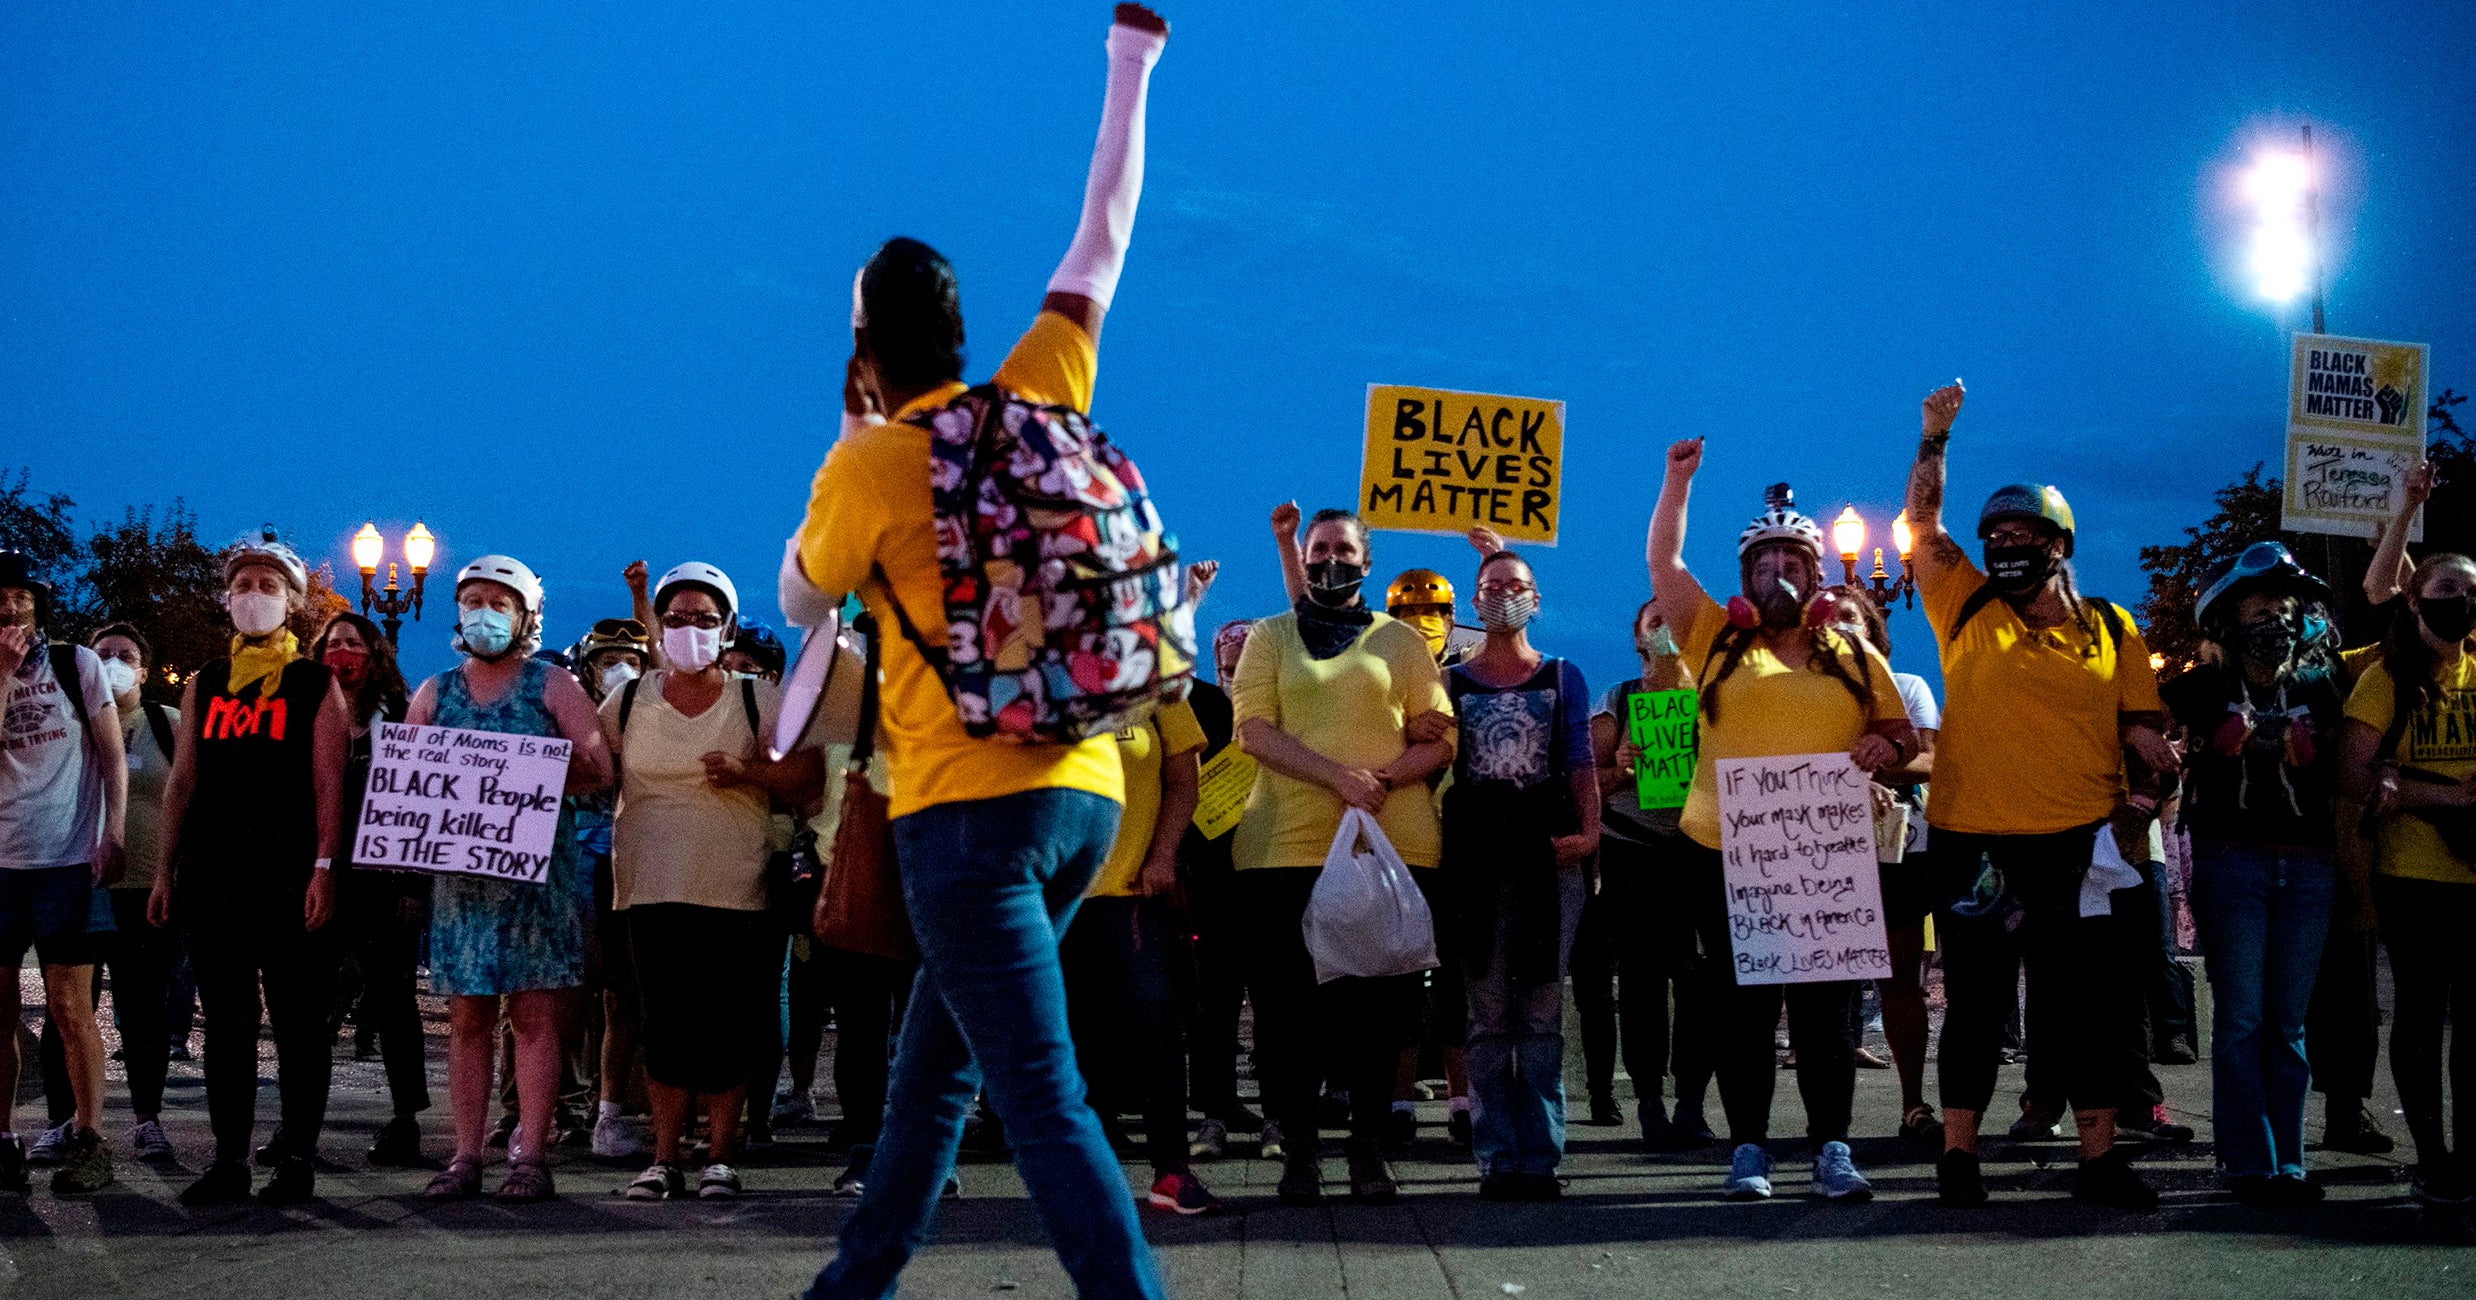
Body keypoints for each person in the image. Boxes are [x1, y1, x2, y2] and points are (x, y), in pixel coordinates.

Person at [782, 7, 1174, 1293]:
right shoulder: (1045, 383)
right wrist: (1130, 65)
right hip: (1088, 792)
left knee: (1044, 1100)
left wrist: (844, 434)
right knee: (934, 1079)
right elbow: (1102, 232)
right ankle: (852, 1284)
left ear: (866, 351)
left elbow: (798, 595)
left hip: (965, 815)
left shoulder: (880, 460)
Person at [1902, 381, 2176, 1209]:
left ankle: (2097, 1158)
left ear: (2060, 545)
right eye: (1998, 536)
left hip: (2075, 847)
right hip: (1973, 841)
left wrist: (2139, 807)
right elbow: (1922, 525)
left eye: (2024, 535)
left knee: (2081, 1009)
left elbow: (2150, 740)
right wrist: (1934, 439)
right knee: (1977, 1006)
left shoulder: (2112, 628)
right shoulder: (1962, 603)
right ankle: (1958, 1156)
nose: (2007, 546)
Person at [1646, 448, 1913, 1203]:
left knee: (1828, 1011)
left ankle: (1832, 1147)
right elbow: (1663, 560)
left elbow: (1904, 738)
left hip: (1823, 859)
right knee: (1742, 1008)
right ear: (1744, 578)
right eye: (1763, 565)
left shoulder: (1854, 654)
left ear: (1817, 573)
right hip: (1726, 857)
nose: (1777, 578)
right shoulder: (1715, 642)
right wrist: (1678, 481)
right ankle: (1749, 1150)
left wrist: (1881, 746)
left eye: (1791, 561)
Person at [1232, 508, 1455, 1206]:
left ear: (1367, 561)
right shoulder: (1270, 636)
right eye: (1319, 549)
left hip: (1387, 846)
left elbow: (1440, 736)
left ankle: (1366, 1152)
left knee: (1379, 1011)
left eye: (1344, 550)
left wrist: (1383, 779)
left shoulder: (1401, 641)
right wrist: (1340, 778)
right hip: (1286, 849)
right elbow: (1253, 732)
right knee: (1288, 1011)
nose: (1332, 560)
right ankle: (1299, 1152)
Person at [601, 562, 815, 1202]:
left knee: (727, 1022)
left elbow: (806, 782)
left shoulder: (757, 699)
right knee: (663, 1021)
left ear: (725, 628)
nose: (688, 629)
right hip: (648, 882)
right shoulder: (630, 699)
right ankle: (664, 1157)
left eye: (703, 618)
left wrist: (749, 774)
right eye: (675, 619)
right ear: (659, 629)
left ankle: (721, 1155)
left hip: (734, 886)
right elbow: (586, 768)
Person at [148, 537, 349, 1205]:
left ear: (292, 602)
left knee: (296, 1016)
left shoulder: (315, 683)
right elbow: (181, 783)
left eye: (267, 585)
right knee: (226, 1018)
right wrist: (163, 871)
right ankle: (229, 1158)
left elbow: (329, 784)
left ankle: (296, 1155)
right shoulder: (205, 681)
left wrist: (324, 867)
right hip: (213, 869)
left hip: (289, 869)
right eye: (243, 585)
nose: (252, 596)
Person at [412, 555, 613, 1203]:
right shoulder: (435, 692)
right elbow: (409, 779)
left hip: (532, 881)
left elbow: (599, 766)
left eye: (499, 602)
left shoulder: (551, 686)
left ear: (526, 616)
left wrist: (543, 774)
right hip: (464, 885)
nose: (483, 613)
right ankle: (466, 1155)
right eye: (473, 600)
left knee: (533, 1017)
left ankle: (530, 1152)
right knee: (467, 1017)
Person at [2163, 542, 2344, 1203]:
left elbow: (2307, 751)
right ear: (2227, 618)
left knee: (2287, 1023)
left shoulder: (2322, 684)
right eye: (2260, 607)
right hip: (2230, 858)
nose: (2276, 620)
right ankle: (2248, 1161)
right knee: (2240, 1016)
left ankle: (2289, 1160)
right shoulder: (2199, 684)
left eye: (2285, 607)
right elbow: (2229, 739)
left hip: (2308, 865)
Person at [1441, 549, 1597, 1200]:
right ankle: (1496, 1157)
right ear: (1475, 603)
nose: (1504, 595)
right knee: (1486, 1012)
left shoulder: (1562, 676)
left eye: (1516, 586)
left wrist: (1590, 834)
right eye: (1492, 586)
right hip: (1477, 865)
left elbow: (1581, 761)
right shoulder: (1450, 682)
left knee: (1538, 1011)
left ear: (1536, 599)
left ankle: (1541, 1157)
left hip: (1546, 861)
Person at [2339, 549, 2476, 1206]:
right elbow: (2353, 773)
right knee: (2421, 1015)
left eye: (2472, 590)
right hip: (2414, 873)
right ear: (2416, 599)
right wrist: (2446, 798)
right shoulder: (2385, 679)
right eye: (2449, 587)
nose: (2463, 600)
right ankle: (2432, 1153)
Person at [0, 550, 129, 1197]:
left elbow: (112, 755)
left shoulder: (76, 665)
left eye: (20, 597)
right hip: (2, 863)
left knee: (69, 1006)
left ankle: (87, 1137)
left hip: (69, 861)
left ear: (37, 604)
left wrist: (114, 832)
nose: (9, 608)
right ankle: (2, 1140)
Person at [28, 624, 178, 1169]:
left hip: (146, 888)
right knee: (67, 1010)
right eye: (103, 654)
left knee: (144, 1011)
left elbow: (192, 798)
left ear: (144, 671)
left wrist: (176, 873)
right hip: (78, 881)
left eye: (127, 656)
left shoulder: (166, 725)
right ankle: (62, 1121)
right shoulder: (70, 717)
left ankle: (147, 1119)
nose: (113, 662)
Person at [1060, 687, 1214, 1213]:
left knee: (1156, 1031)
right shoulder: (1037, 675)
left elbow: (1183, 781)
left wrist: (1163, 855)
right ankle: (1077, 1177)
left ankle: (1171, 1171)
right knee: (1064, 1038)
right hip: (1052, 897)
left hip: (1133, 891)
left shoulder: (1153, 678)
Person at [1583, 599, 1719, 1151]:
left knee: (1701, 982)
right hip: (1634, 854)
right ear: (1637, 635)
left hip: (1699, 851)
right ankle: (1648, 1101)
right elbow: (1584, 783)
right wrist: (1619, 767)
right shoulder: (1618, 699)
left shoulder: (1712, 698)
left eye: (1673, 617)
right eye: (1654, 619)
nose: (1665, 627)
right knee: (1641, 982)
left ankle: (1691, 1101)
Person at [304, 612, 433, 1168]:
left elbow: (425, 806)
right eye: (332, 645)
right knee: (308, 1005)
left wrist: (414, 885)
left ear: (374, 655)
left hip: (383, 883)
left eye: (353, 643)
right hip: (322, 877)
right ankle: (299, 1122)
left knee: (393, 1001)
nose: (342, 653)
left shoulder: (403, 720)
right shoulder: (305, 716)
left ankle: (406, 1119)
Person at [1814, 587, 1942, 1145]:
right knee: (1826, 991)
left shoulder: (1908, 687)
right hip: (1819, 851)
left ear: (1872, 626)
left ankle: (1913, 1102)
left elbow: (1933, 759)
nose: (1840, 628)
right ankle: (1828, 1123)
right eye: (1829, 620)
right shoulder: (1804, 694)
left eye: (1851, 618)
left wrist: (1887, 758)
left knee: (1899, 981)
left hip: (1896, 851)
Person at [568, 614, 656, 1160]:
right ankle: (547, 1109)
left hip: (636, 860)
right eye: (607, 660)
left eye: (631, 661)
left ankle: (608, 1115)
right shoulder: (568, 715)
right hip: (577, 861)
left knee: (627, 996)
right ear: (589, 668)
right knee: (566, 993)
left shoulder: (655, 717)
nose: (619, 669)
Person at [1181, 604, 1265, 1163]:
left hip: (1273, 868)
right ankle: (1215, 1107)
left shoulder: (1278, 706)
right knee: (1213, 1000)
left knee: (1278, 999)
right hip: (1210, 874)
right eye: (1228, 664)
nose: (1235, 674)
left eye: (1245, 663)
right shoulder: (1202, 706)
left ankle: (1282, 1111)